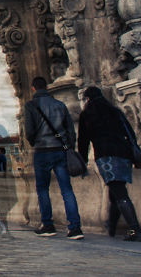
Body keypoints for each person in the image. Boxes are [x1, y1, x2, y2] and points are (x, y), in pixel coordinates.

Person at [78, 86, 141, 242]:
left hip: (106, 155)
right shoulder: (115, 111)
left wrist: (82, 161)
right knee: (116, 188)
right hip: (124, 155)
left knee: (119, 192)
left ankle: (136, 230)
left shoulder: (87, 114)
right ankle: (112, 226)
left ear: (87, 99)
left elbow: (83, 141)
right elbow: (130, 133)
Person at [23, 76, 83, 239]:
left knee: (43, 189)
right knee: (67, 190)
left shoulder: (31, 105)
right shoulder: (60, 105)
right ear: (47, 88)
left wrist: (36, 142)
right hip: (60, 150)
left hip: (42, 151)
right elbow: (70, 130)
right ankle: (75, 228)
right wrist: (68, 146)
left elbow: (29, 131)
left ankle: (48, 225)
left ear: (33, 88)